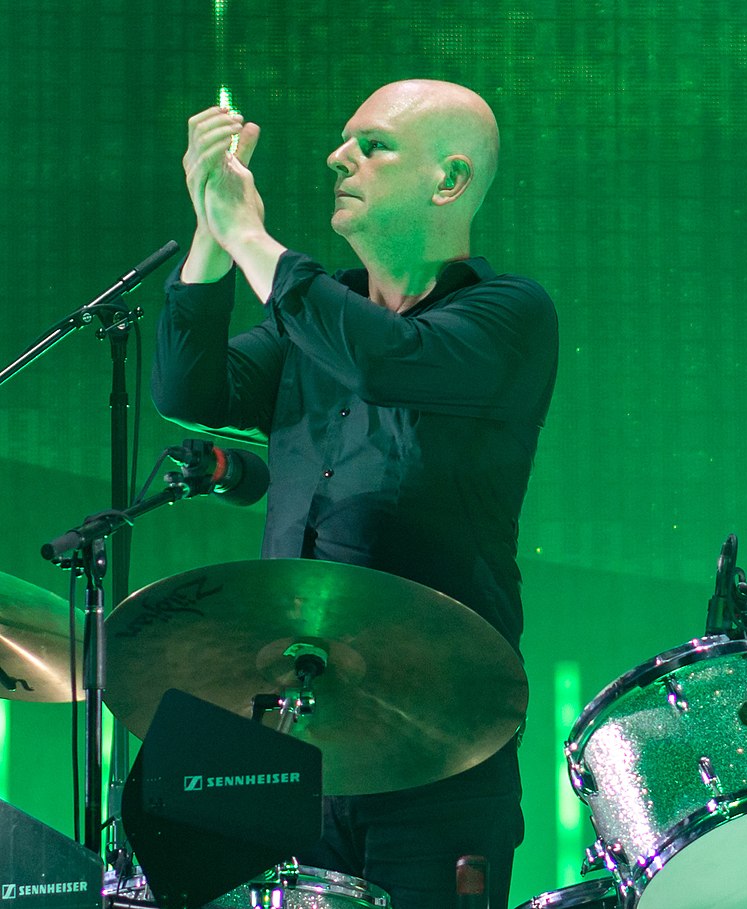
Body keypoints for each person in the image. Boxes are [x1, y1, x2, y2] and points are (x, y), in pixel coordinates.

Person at [152, 79, 558, 909]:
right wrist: (212, 233)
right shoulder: (310, 321)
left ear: (449, 180)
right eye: (345, 140)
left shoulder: (508, 313)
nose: (339, 157)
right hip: (297, 739)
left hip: (440, 746)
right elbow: (190, 389)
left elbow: (387, 360)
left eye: (373, 146)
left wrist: (252, 235)